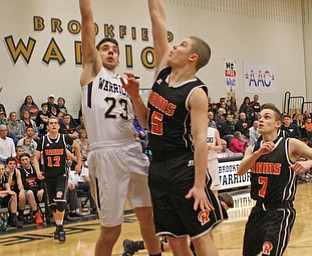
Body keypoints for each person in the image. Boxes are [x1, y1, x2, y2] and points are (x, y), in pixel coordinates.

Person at [122, 1, 228, 255]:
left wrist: (200, 185)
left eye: (181, 45)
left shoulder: (196, 92)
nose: (173, 46)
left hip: (184, 168)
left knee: (201, 238)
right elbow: (147, 123)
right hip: (157, 168)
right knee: (176, 240)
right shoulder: (162, 72)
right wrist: (136, 97)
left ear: (193, 57)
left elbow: (200, 141)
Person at [79, 1, 161, 255]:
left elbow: (143, 120)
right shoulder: (93, 72)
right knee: (111, 230)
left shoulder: (125, 81)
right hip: (105, 155)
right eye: (105, 48)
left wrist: (136, 96)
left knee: (149, 219)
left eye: (115, 49)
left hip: (132, 149)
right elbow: (87, 20)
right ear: (96, 53)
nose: (111, 52)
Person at [237, 103, 312, 256]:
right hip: (257, 211)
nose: (261, 120)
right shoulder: (252, 149)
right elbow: (240, 170)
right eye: (260, 117)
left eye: (267, 117)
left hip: (280, 211)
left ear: (278, 124)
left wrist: (308, 163)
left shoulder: (290, 144)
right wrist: (258, 153)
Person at [122, 193, 234, 256]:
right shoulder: (203, 202)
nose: (223, 211)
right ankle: (134, 245)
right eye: (223, 207)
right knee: (170, 245)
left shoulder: (211, 214)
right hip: (174, 213)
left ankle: (133, 245)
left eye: (225, 210)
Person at [32, 116, 82, 242]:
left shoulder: (64, 138)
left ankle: (60, 227)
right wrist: (38, 171)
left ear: (59, 126)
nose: (53, 125)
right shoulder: (42, 141)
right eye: (51, 123)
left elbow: (76, 147)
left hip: (61, 175)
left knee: (60, 201)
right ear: (47, 126)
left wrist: (79, 163)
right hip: (48, 177)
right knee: (53, 205)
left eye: (55, 123)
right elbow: (35, 158)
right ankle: (59, 226)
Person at [18, 152, 44, 224]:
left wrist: (41, 189)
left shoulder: (35, 168)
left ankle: (50, 214)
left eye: (26, 159)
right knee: (29, 192)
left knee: (47, 190)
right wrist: (37, 191)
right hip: (29, 192)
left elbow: (41, 180)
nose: (25, 162)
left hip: (38, 191)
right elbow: (25, 185)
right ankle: (36, 214)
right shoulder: (19, 170)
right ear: (20, 161)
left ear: (30, 159)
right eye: (23, 160)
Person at [0, 161, 22, 229]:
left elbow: (9, 190)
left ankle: (14, 218)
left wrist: (4, 193)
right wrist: (5, 192)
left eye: (2, 169)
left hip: (2, 196)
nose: (1, 171)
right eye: (0, 169)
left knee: (14, 194)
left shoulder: (3, 177)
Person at [5, 157, 26, 224]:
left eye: (14, 164)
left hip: (13, 191)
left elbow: (20, 184)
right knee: (13, 195)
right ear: (7, 165)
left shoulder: (17, 171)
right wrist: (10, 175)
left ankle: (21, 214)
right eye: (10, 164)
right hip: (6, 192)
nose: (12, 165)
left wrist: (22, 190)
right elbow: (8, 186)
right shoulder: (4, 172)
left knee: (23, 193)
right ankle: (13, 217)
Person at [207, 126, 222, 195]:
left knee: (214, 186)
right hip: (200, 161)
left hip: (212, 160)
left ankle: (216, 204)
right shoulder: (194, 131)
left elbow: (220, 147)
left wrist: (211, 147)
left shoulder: (214, 131)